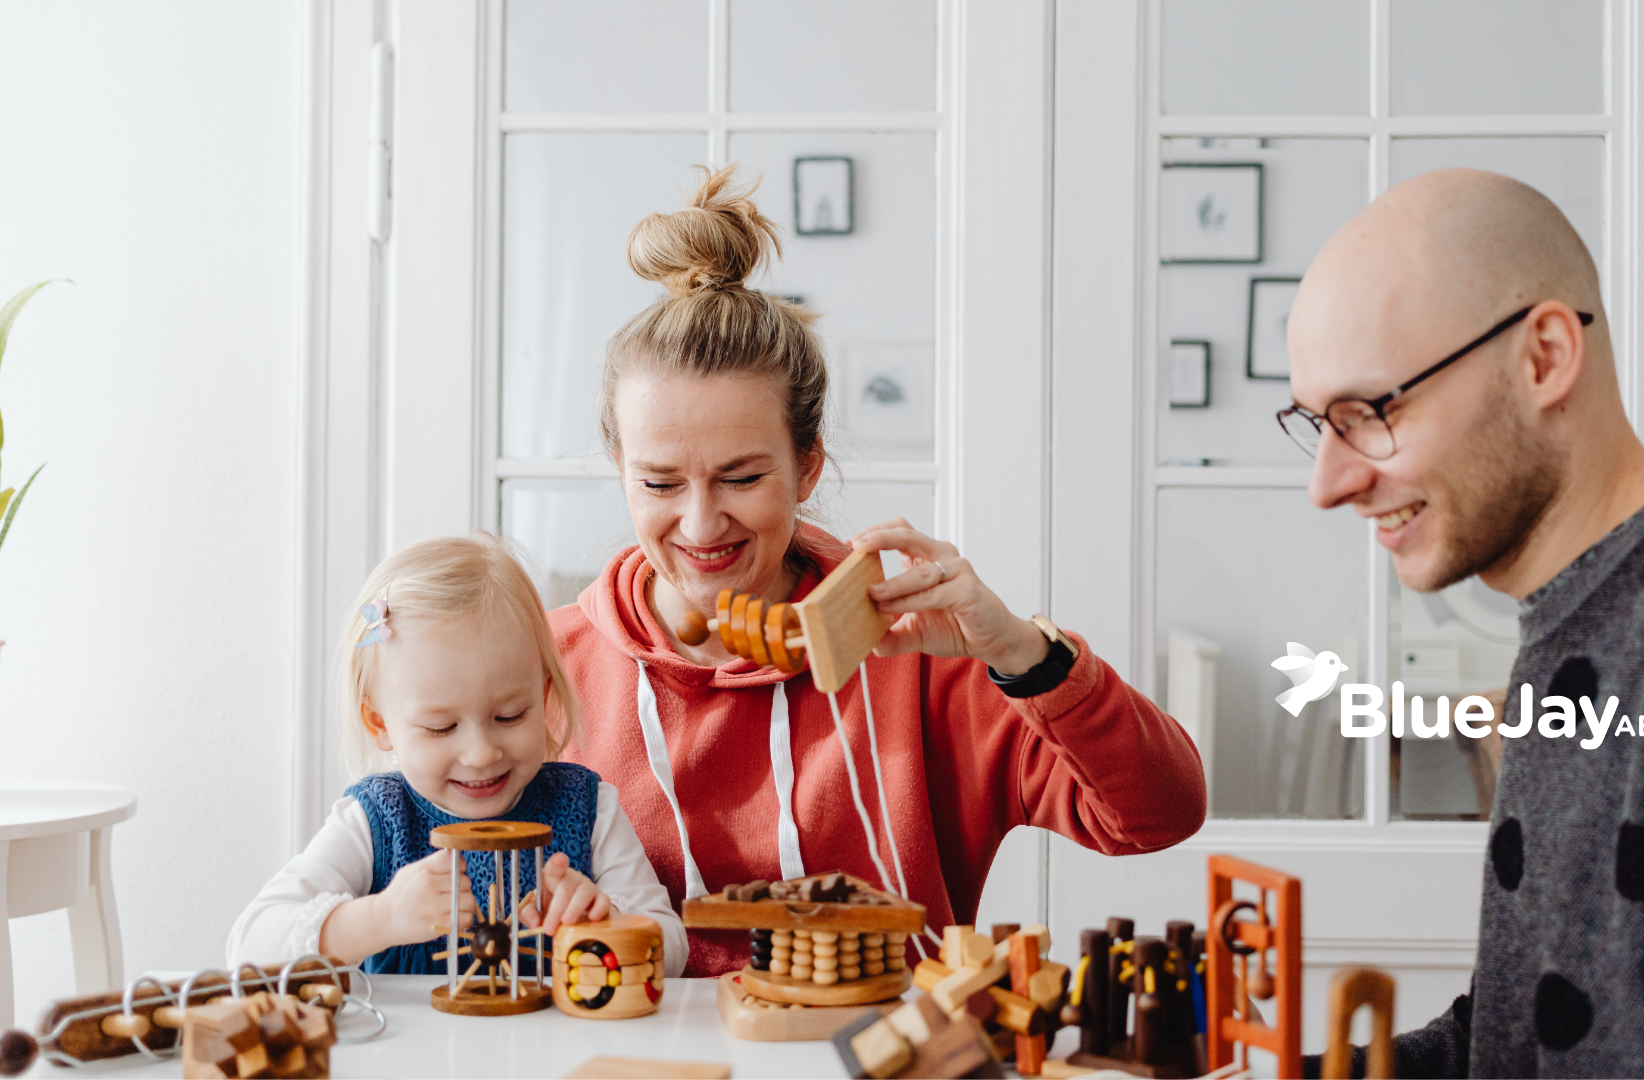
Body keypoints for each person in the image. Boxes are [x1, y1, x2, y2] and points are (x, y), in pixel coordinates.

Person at [549, 166, 1208, 977]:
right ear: (619, 467)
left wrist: (1021, 654)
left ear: (809, 466)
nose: (699, 523)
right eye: (659, 483)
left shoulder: (918, 654)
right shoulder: (546, 667)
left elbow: (1158, 816)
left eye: (743, 478)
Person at [1283, 167, 1644, 1077]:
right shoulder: (1571, 623)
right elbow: (1527, 1031)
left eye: (1369, 413)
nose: (1328, 485)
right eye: (1316, 423)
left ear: (1545, 357)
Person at [229, 535, 686, 976]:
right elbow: (249, 947)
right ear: (380, 725)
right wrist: (382, 918)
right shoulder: (375, 822)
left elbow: (674, 948)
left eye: (510, 716)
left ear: (544, 698)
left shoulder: (588, 808)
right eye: (441, 727)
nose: (482, 753)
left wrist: (606, 927)